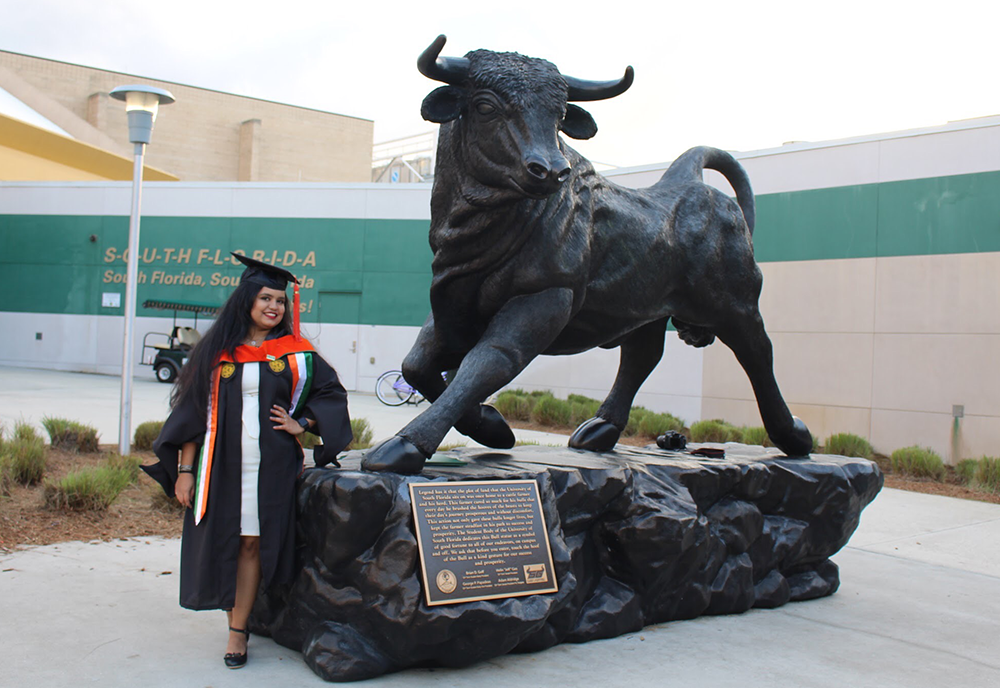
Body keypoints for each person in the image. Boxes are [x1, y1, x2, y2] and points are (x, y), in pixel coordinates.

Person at [142, 253, 352, 670]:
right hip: (220, 465)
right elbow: (192, 417)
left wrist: (303, 422)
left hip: (270, 465)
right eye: (265, 299)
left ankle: (238, 631)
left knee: (253, 542)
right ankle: (235, 615)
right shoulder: (217, 353)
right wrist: (185, 472)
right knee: (227, 541)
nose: (274, 307)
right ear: (247, 301)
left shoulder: (296, 353)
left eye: (280, 301)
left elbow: (331, 394)